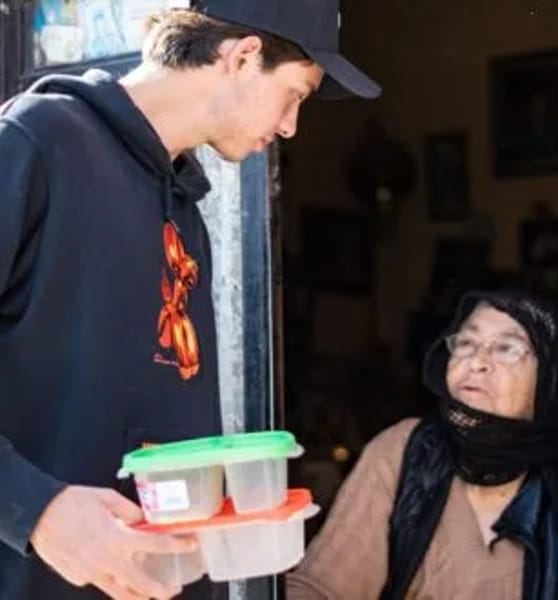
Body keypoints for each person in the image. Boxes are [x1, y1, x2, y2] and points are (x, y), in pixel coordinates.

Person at [0, 2, 379, 599]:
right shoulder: (37, 141)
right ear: (243, 56)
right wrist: (34, 511)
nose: (290, 128)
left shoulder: (185, 209)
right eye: (296, 94)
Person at [286, 290, 558, 599]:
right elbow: (322, 586)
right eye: (465, 342)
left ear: (550, 380)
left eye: (506, 348)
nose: (477, 361)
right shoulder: (402, 450)